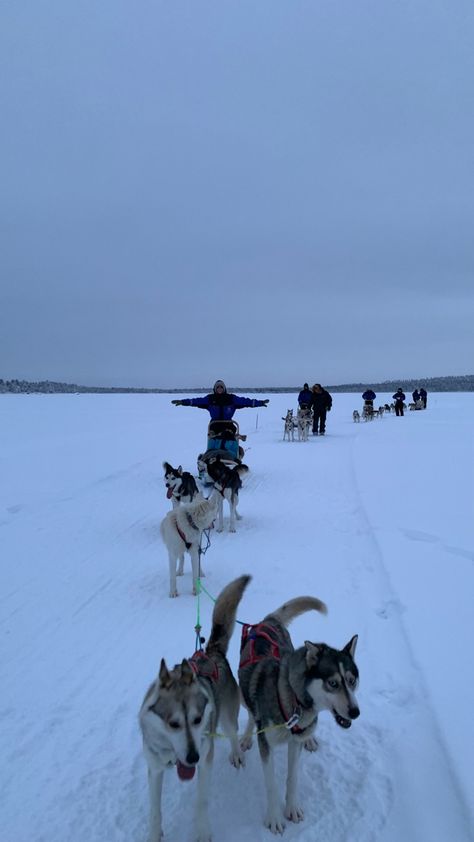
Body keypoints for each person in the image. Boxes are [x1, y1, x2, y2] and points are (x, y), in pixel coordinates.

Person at [171, 380, 269, 420]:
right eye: (217, 387)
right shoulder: (210, 398)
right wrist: (183, 402)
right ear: (215, 389)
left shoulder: (231, 398)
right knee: (213, 439)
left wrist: (260, 403)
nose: (219, 389)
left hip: (228, 424)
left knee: (231, 438)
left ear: (224, 389)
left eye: (221, 387)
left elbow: (246, 402)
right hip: (214, 425)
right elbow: (196, 401)